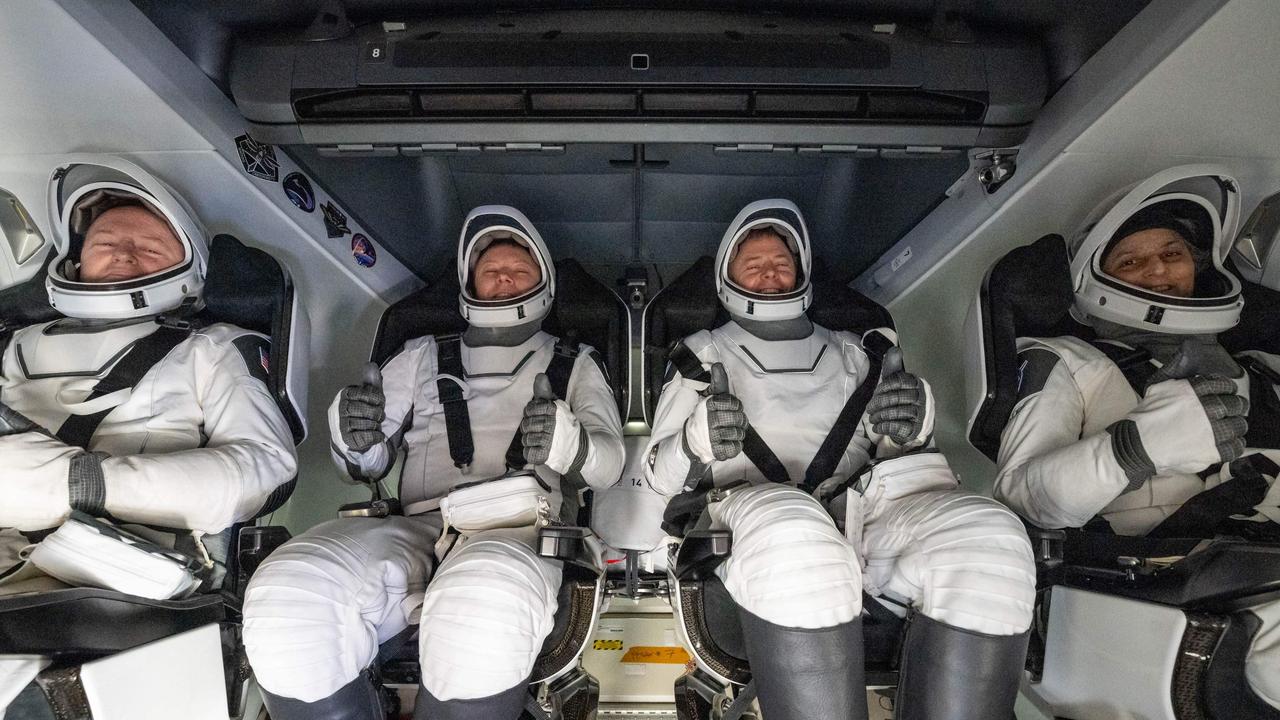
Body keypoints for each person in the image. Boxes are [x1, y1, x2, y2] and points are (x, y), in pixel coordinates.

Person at [644, 199, 1035, 720]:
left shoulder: (858, 353)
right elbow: (654, 478)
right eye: (752, 262)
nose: (769, 272)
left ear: (803, 272)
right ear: (725, 278)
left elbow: (896, 452)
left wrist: (914, 420)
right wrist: (697, 440)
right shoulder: (699, 356)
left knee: (988, 533)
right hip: (743, 523)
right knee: (796, 528)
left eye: (781, 261)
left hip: (864, 520)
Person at [242, 206, 625, 720]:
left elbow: (608, 466)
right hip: (418, 524)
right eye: (491, 270)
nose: (505, 276)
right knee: (291, 590)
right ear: (469, 284)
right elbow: (367, 463)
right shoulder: (420, 355)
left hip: (523, 531)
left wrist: (567, 444)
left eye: (520, 269)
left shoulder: (575, 362)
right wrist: (353, 434)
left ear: (545, 285)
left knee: (481, 602)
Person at [993, 168, 1279, 709]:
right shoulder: (1068, 362)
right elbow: (1022, 498)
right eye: (1130, 260)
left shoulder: (1262, 372)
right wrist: (1136, 447)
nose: (1158, 269)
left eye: (1173, 253)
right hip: (1160, 579)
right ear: (1096, 281)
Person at [0, 156, 298, 587]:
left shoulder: (212, 346)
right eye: (105, 242)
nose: (123, 253)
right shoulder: (13, 343)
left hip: (126, 572)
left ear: (189, 268)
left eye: (150, 247)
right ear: (76, 257)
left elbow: (267, 470)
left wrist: (83, 485)